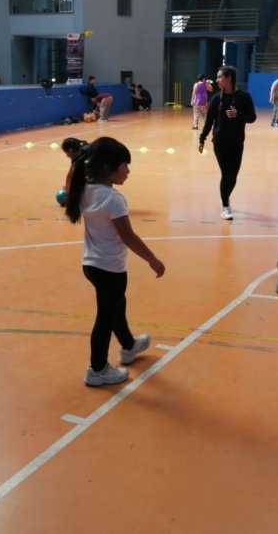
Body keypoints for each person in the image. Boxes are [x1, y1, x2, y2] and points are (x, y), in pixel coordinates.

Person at [64, 136, 165, 386]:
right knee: (106, 316)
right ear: (109, 167)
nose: (128, 171)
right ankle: (97, 369)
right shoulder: (113, 199)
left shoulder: (84, 188)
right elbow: (128, 236)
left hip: (91, 264)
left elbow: (69, 187)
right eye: (125, 166)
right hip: (110, 268)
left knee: (115, 305)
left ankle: (129, 345)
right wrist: (152, 259)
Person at [198, 65, 257, 220]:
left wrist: (239, 114)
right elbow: (209, 121)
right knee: (226, 174)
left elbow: (252, 117)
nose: (217, 80)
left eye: (219, 77)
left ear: (229, 78)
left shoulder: (244, 97)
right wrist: (202, 138)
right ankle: (225, 206)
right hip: (220, 143)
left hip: (237, 143)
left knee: (233, 176)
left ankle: (225, 195)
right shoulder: (216, 99)